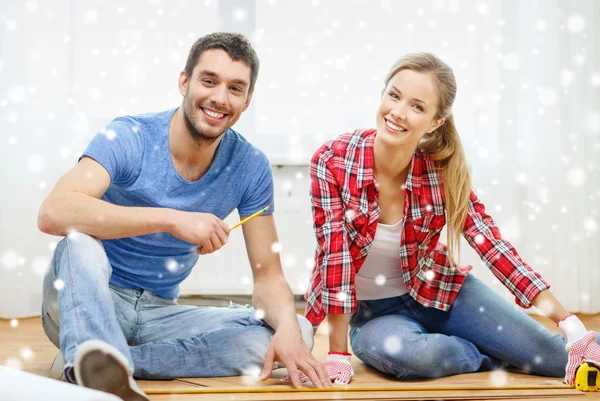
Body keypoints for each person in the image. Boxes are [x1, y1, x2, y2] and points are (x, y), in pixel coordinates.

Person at [38, 32, 331, 401]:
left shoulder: (250, 165)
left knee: (298, 330)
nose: (219, 98)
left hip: (159, 314)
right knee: (78, 242)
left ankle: (113, 364)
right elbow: (53, 212)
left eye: (235, 88)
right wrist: (172, 219)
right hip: (88, 299)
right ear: (184, 81)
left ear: (247, 100)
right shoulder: (129, 136)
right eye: (209, 81)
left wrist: (286, 325)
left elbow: (268, 275)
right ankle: (91, 355)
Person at [292, 53, 600, 386]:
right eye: (394, 95)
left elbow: (492, 246)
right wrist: (338, 354)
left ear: (436, 122)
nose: (397, 112)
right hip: (375, 314)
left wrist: (569, 323)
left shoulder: (441, 170)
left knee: (557, 358)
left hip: (442, 290)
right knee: (404, 356)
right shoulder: (332, 160)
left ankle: (525, 347)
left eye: (417, 106)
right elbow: (335, 259)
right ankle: (487, 355)